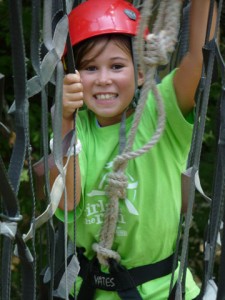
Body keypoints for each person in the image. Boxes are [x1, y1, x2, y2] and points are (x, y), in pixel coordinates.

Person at [50, 0, 217, 299]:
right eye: (89, 68)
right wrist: (63, 121)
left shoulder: (161, 112)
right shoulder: (77, 127)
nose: (103, 79)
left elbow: (197, 59)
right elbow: (66, 202)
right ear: (72, 76)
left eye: (116, 66)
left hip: (162, 291)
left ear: (140, 72)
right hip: (91, 290)